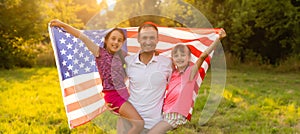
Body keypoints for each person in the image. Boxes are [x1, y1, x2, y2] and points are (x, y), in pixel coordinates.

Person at [49, 19, 144, 134]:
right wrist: (62, 24)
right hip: (114, 96)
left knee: (124, 128)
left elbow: (138, 60)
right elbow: (81, 36)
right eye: (113, 38)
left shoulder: (121, 55)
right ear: (106, 40)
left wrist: (154, 54)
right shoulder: (100, 52)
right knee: (139, 124)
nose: (116, 42)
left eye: (119, 40)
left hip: (124, 93)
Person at [148, 28, 227, 134]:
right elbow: (160, 60)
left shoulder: (191, 72)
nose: (179, 58)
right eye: (176, 56)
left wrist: (218, 39)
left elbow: (203, 56)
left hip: (177, 114)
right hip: (165, 112)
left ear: (189, 57)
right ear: (172, 58)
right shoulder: (173, 72)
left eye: (183, 55)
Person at [107, 22, 173, 134]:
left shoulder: (167, 64)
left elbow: (177, 89)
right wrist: (111, 102)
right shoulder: (128, 61)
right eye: (144, 37)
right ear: (138, 39)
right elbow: (113, 83)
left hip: (155, 126)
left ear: (157, 40)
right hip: (128, 123)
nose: (148, 41)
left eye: (152, 38)